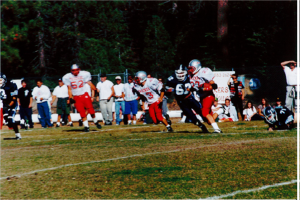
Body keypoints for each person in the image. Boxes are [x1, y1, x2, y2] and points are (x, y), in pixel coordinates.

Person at [166, 65, 208, 132]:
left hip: (190, 98)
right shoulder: (171, 79)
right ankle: (201, 126)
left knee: (201, 112)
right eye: (178, 73)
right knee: (192, 117)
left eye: (182, 73)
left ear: (185, 72)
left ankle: (210, 122)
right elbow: (166, 89)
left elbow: (196, 86)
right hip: (181, 102)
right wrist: (169, 90)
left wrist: (194, 88)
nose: (180, 75)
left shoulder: (190, 77)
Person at [62, 64, 101, 132]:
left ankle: (96, 122)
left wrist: (95, 89)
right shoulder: (67, 77)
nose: (75, 72)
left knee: (91, 111)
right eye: (73, 70)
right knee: (82, 113)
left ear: (79, 69)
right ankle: (86, 126)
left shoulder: (84, 74)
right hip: (76, 97)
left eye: (76, 70)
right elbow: (69, 89)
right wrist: (70, 98)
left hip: (84, 95)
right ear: (71, 71)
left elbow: (89, 83)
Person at [188, 59, 222, 133]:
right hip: (202, 97)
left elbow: (214, 85)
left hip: (208, 95)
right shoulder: (190, 76)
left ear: (197, 67)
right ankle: (218, 112)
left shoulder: (202, 72)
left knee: (204, 113)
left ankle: (217, 129)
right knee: (208, 120)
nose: (190, 70)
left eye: (191, 68)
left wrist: (204, 88)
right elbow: (194, 87)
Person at [0, 73, 22, 139]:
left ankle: (18, 135)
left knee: (11, 119)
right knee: (7, 121)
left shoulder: (11, 85)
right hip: (5, 104)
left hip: (12, 104)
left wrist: (9, 105)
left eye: (0, 80)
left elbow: (14, 98)